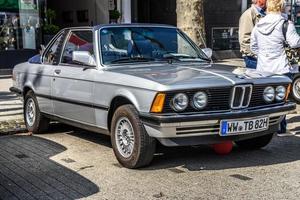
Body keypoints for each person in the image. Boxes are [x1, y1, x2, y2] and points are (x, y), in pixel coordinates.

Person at [250, 0, 300, 135]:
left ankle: (264, 129)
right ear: (282, 7)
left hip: (263, 67)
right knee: (281, 99)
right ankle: (280, 128)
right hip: (281, 67)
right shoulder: (285, 24)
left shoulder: (259, 24)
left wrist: (264, 56)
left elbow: (253, 47)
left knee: (266, 98)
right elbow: (295, 43)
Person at [239, 0, 267, 69]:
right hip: (253, 59)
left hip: (261, 57)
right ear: (260, 1)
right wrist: (254, 55)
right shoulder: (248, 14)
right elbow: (244, 38)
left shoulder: (264, 13)